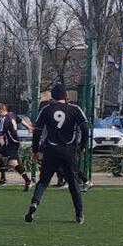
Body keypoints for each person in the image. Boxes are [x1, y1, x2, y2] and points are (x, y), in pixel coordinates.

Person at [25, 83, 87, 224]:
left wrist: (35, 150)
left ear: (52, 96)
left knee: (43, 181)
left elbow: (37, 131)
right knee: (72, 183)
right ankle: (79, 214)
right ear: (66, 96)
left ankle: (34, 203)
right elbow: (85, 128)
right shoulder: (75, 109)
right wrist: (81, 147)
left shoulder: (46, 109)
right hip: (68, 151)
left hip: (51, 150)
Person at [0, 102, 31, 189]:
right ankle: (3, 180)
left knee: (13, 163)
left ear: (1, 110)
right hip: (8, 144)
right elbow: (21, 120)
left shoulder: (4, 120)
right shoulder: (12, 114)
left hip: (12, 144)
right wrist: (28, 127)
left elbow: (0, 135)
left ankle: (27, 180)